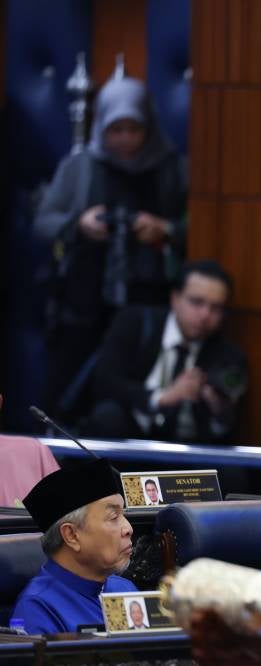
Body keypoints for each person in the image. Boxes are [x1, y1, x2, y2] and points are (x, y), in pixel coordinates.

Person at [35, 76, 187, 423]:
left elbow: (203, 227)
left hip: (147, 305)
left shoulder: (173, 170)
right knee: (66, 395)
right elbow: (43, 222)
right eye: (115, 129)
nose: (125, 140)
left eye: (134, 129)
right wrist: (79, 224)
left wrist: (166, 230)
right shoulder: (81, 167)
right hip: (84, 302)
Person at [85, 260, 247, 443]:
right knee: (108, 417)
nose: (205, 315)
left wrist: (220, 410)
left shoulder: (227, 355)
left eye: (216, 308)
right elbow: (104, 383)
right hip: (131, 438)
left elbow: (221, 431)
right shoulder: (135, 323)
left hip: (184, 451)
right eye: (196, 302)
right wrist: (162, 397)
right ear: (175, 299)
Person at [11, 458, 137, 634]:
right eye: (113, 517)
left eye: (123, 515)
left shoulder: (124, 589)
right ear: (71, 536)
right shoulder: (38, 608)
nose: (128, 529)